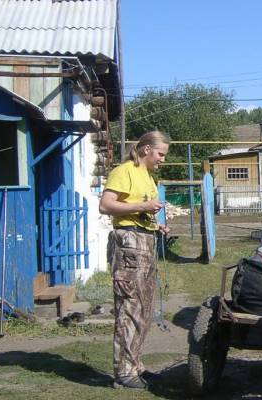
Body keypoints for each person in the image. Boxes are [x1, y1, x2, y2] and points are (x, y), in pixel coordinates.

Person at [98, 130, 171, 389]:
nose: (162, 159)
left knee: (143, 308)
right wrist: (142, 207)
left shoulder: (148, 176)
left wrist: (156, 225)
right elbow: (106, 205)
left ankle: (135, 364)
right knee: (130, 306)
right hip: (128, 244)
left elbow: (141, 210)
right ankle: (124, 371)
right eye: (160, 154)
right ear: (146, 150)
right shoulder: (124, 171)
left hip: (145, 241)